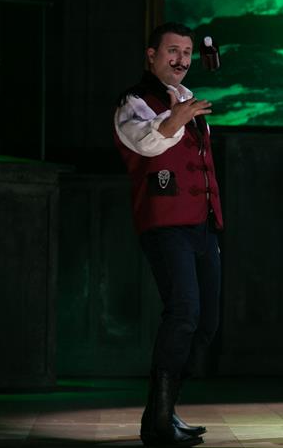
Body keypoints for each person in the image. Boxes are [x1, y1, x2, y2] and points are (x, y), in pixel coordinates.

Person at [114, 22, 223, 447]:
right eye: (172, 51)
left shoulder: (187, 99)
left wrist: (182, 112)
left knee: (206, 323)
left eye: (187, 52)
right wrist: (174, 118)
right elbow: (145, 144)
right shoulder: (135, 101)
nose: (181, 60)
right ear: (152, 55)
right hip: (165, 223)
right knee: (183, 313)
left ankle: (163, 412)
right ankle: (159, 422)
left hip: (202, 225)